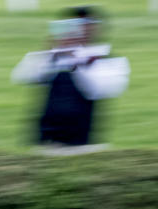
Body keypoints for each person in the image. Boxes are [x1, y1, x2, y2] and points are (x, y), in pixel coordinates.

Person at [11, 6, 129, 153]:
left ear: (97, 28)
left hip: (85, 145)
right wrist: (48, 54)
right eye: (73, 23)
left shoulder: (106, 58)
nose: (82, 28)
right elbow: (21, 76)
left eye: (88, 22)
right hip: (46, 143)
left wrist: (75, 62)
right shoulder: (53, 56)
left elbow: (100, 89)